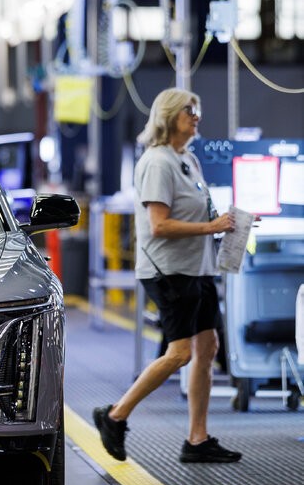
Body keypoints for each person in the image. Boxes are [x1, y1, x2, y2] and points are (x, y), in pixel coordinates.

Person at [93, 88, 241, 464]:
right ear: (169, 116)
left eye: (197, 110)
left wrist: (226, 224)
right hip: (169, 271)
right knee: (180, 353)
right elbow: (159, 226)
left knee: (208, 348)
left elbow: (198, 212)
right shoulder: (158, 162)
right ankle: (115, 416)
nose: (197, 117)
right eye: (189, 110)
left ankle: (197, 440)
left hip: (198, 268)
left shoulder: (187, 158)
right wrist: (211, 227)